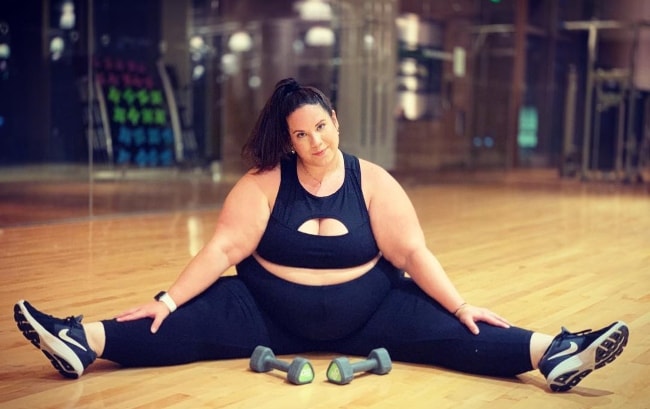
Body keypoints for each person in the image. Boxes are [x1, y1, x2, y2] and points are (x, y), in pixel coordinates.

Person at [14, 78, 628, 392]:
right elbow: (224, 249)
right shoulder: (261, 184)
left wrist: (462, 303)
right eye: (300, 135)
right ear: (288, 140)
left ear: (335, 120)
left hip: (371, 314)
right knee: (175, 325)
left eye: (320, 127)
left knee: (461, 330)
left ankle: (555, 353)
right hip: (264, 311)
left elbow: (412, 253)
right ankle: (81, 341)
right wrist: (169, 298)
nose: (314, 142)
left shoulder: (374, 183)